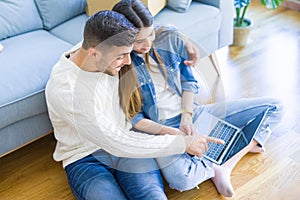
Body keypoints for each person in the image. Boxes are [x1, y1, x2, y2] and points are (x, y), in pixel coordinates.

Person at [45, 10, 223, 200]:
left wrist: (181, 38)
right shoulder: (67, 91)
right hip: (85, 157)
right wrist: (181, 143)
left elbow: (141, 23)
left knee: (152, 196)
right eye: (122, 56)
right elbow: (114, 142)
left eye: (129, 53)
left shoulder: (101, 45)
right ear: (94, 53)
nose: (129, 62)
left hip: (128, 140)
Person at [113, 0, 283, 197]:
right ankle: (224, 154)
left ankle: (225, 165)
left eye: (150, 34)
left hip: (194, 112)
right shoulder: (118, 63)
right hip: (162, 131)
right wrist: (179, 137)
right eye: (139, 41)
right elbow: (135, 118)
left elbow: (188, 81)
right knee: (182, 179)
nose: (148, 44)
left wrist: (187, 115)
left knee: (274, 107)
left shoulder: (167, 37)